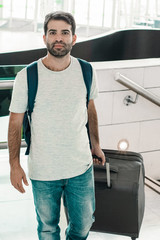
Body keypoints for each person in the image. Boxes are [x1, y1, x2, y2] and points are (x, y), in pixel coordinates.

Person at [8, 11, 105, 240]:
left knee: (83, 225)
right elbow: (15, 122)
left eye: (65, 32)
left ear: (74, 38)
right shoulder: (27, 76)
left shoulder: (86, 70)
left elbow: (90, 109)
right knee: (48, 229)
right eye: (53, 32)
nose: (58, 38)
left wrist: (97, 144)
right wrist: (14, 164)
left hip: (80, 167)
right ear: (44, 38)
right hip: (43, 171)